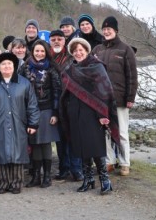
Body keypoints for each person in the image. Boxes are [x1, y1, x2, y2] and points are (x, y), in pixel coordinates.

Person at [61, 37, 119, 195]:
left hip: (93, 112)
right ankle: (88, 179)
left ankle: (105, 180)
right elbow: (64, 92)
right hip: (74, 111)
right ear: (72, 53)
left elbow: (105, 92)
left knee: (95, 146)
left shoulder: (97, 67)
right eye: (75, 51)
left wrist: (102, 114)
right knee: (80, 145)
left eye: (81, 50)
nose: (78, 53)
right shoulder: (69, 69)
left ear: (87, 51)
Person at [0, 52, 40, 194]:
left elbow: (32, 105)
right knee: (1, 153)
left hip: (19, 124)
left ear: (14, 66)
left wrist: (33, 123)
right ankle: (3, 184)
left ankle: (17, 184)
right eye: (3, 64)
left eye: (9, 64)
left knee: (17, 153)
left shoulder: (24, 83)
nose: (7, 66)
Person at [92, 16, 138, 176]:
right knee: (105, 132)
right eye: (104, 29)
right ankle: (109, 161)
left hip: (120, 99)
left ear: (115, 30)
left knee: (122, 133)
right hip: (102, 100)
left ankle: (125, 163)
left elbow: (132, 76)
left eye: (109, 29)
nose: (106, 31)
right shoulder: (98, 50)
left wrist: (130, 98)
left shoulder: (126, 50)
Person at [21, 40, 61, 188]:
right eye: (37, 51)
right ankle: (36, 176)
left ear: (46, 52)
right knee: (34, 143)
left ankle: (47, 176)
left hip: (47, 108)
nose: (39, 53)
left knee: (45, 143)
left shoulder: (51, 68)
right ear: (32, 51)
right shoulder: (25, 67)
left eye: (42, 51)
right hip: (30, 110)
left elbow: (57, 90)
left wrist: (55, 112)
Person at [49, 30, 83, 182]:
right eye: (53, 39)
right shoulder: (47, 57)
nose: (56, 41)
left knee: (74, 137)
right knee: (60, 140)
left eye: (59, 39)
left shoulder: (72, 57)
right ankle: (63, 168)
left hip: (71, 101)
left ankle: (76, 169)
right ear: (50, 41)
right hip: (54, 102)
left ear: (64, 41)